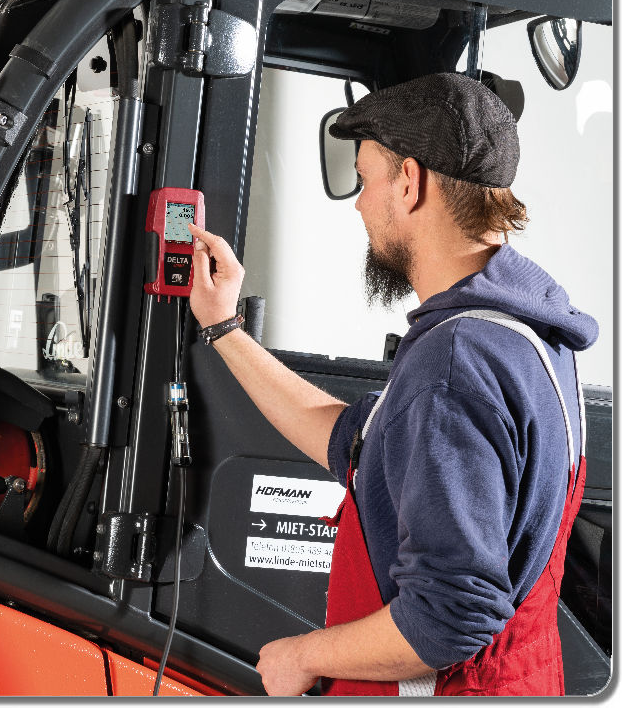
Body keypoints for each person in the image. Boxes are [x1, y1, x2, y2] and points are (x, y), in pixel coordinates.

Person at [186, 73, 597, 697]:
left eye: (365, 176)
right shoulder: (529, 338)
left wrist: (303, 654)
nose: (358, 202)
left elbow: (448, 614)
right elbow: (359, 445)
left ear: (408, 183)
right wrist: (225, 330)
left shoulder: (456, 365)